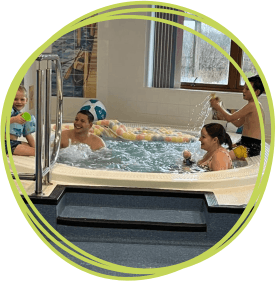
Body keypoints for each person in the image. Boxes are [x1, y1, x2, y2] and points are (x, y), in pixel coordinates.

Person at [210, 75, 265, 159]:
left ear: (257, 92)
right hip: (245, 143)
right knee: (219, 151)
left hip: (251, 146)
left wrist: (218, 107)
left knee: (220, 157)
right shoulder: (253, 105)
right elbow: (238, 123)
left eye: (247, 89)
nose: (243, 91)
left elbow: (229, 118)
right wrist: (221, 111)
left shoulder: (253, 105)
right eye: (244, 88)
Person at [5, 85, 36, 156]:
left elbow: (28, 135)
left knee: (37, 150)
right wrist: (14, 119)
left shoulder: (22, 116)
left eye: (22, 99)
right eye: (15, 99)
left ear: (26, 100)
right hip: (4, 143)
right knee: (35, 152)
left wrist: (36, 148)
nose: (19, 102)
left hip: (12, 143)